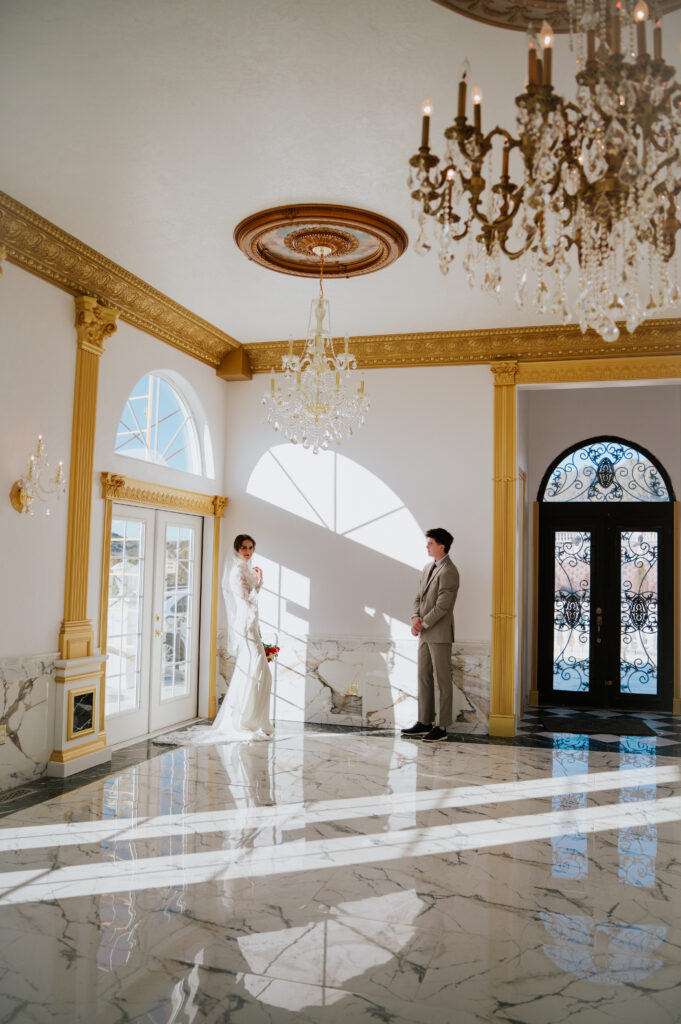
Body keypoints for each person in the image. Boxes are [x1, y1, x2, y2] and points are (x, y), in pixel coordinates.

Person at [155, 533, 273, 745]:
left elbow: (252, 596)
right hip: (246, 623)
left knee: (256, 671)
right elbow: (245, 600)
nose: (248, 551)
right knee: (259, 671)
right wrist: (259, 582)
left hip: (252, 622)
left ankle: (252, 720)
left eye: (251, 548)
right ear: (237, 549)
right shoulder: (237, 572)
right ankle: (245, 720)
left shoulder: (246, 568)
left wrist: (257, 580)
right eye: (244, 547)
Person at [402, 528, 459, 743]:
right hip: (424, 633)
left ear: (441, 546)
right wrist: (415, 617)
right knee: (423, 676)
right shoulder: (428, 568)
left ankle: (442, 726)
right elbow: (418, 597)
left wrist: (422, 624)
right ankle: (424, 722)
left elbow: (443, 606)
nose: (427, 546)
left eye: (430, 543)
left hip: (440, 634)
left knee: (442, 680)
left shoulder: (450, 571)